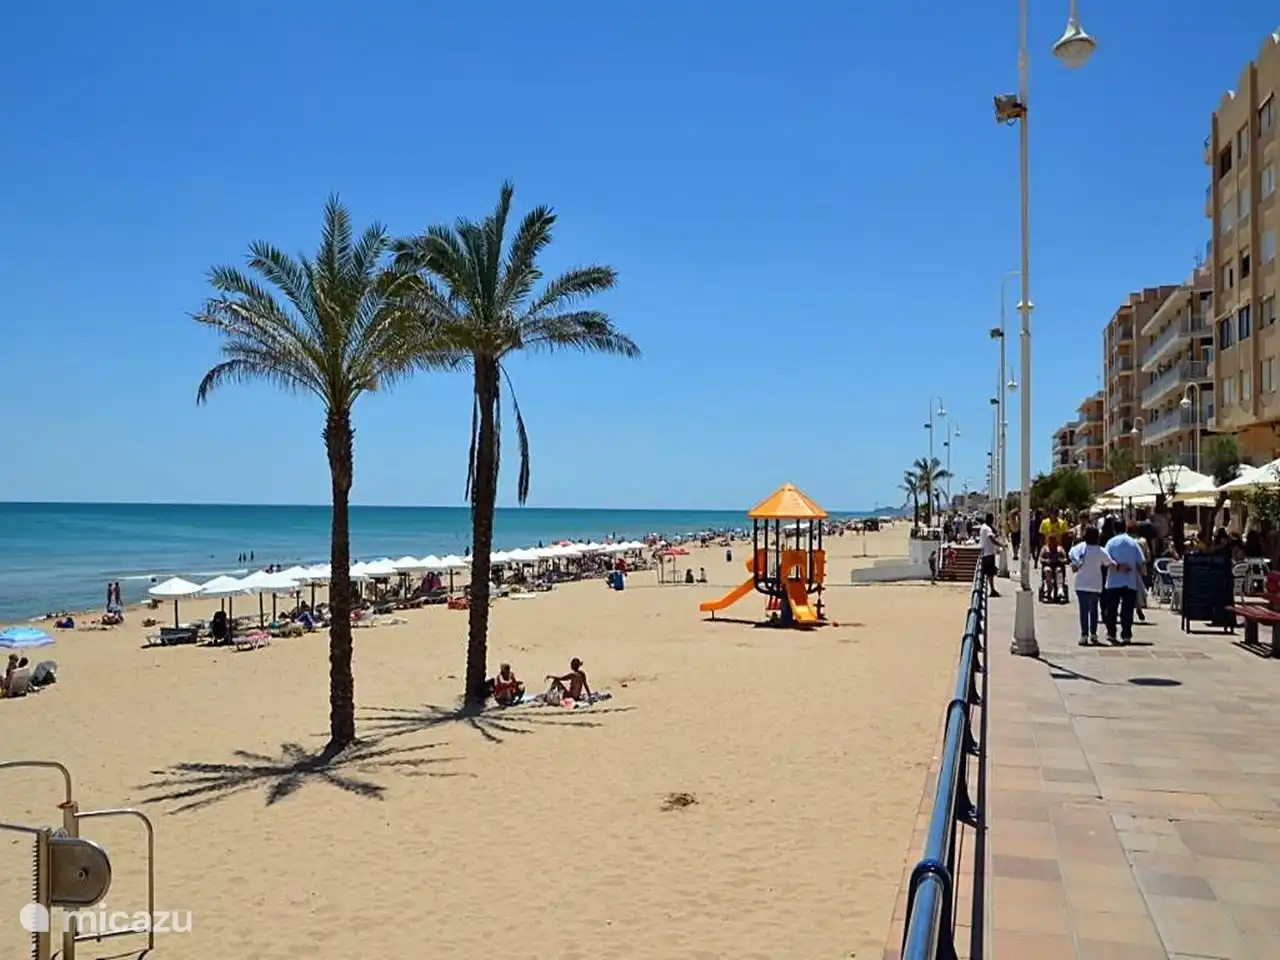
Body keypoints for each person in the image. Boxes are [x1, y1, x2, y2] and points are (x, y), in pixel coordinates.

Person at [1102, 522, 1144, 645]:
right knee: (1127, 610)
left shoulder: (1110, 543)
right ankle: (1126, 634)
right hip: (1130, 581)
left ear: (1114, 530)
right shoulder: (1133, 543)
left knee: (1111, 609)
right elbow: (1141, 562)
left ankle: (1111, 633)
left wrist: (1118, 567)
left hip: (1113, 581)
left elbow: (1106, 561)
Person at [1069, 527, 1112, 645]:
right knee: (1093, 610)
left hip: (1081, 583)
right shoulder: (1100, 550)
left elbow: (1071, 554)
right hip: (1096, 584)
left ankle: (1084, 635)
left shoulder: (1079, 548)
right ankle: (1093, 633)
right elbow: (1109, 562)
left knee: (1083, 610)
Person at [978, 512, 1002, 598]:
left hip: (986, 553)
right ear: (990, 520)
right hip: (989, 553)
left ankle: (991, 589)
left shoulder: (984, 527)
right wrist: (1001, 545)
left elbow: (994, 532)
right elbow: (992, 539)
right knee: (990, 573)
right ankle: (992, 590)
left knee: (989, 573)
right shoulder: (987, 529)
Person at [1039, 535, 1068, 602]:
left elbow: (1065, 559)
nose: (1052, 541)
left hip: (1058, 565)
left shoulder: (1060, 549)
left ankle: (1060, 590)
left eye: (1053, 539)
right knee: (1047, 570)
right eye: (1050, 539)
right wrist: (1046, 560)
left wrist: (1061, 560)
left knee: (1059, 570)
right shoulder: (1045, 548)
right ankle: (1049, 589)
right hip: (1048, 565)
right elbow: (1040, 558)